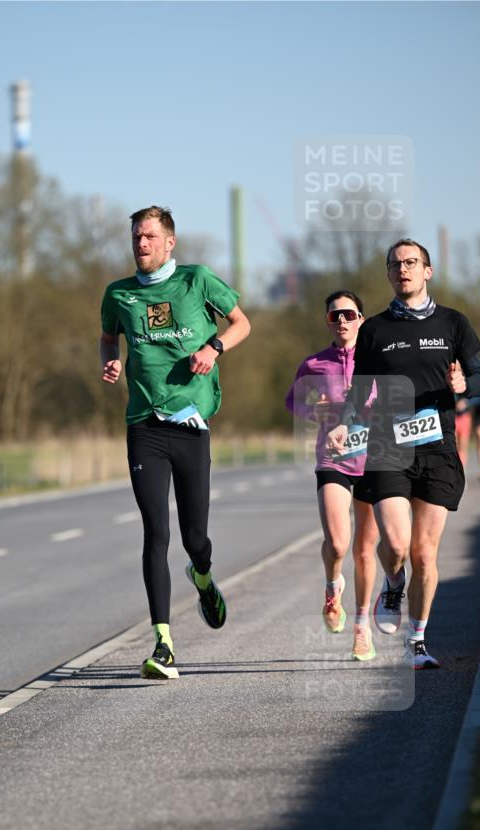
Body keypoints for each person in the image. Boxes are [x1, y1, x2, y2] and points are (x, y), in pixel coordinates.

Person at [100, 206, 250, 679]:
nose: (140, 244)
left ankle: (203, 577)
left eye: (148, 236)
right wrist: (113, 361)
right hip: (144, 423)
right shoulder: (118, 294)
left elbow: (241, 323)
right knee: (155, 532)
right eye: (135, 237)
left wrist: (213, 347)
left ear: (170, 242)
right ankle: (163, 642)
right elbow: (108, 337)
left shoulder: (197, 280)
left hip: (189, 426)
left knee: (195, 539)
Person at [327, 239, 480, 670]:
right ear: (389, 274)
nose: (404, 270)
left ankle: (417, 640)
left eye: (412, 263)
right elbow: (360, 389)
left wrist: (464, 388)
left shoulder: (455, 323)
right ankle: (393, 582)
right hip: (388, 445)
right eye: (396, 264)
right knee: (396, 547)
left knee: (425, 554)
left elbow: (478, 378)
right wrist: (345, 421)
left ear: (427, 271)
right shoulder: (375, 330)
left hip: (437, 449)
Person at [285, 291, 379, 661]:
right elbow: (294, 400)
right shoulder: (314, 364)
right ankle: (332, 586)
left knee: (365, 549)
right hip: (333, 460)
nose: (341, 321)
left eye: (349, 314)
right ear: (328, 321)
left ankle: (362, 626)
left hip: (374, 461)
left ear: (361, 319)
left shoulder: (378, 361)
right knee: (339, 545)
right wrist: (315, 412)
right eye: (334, 316)